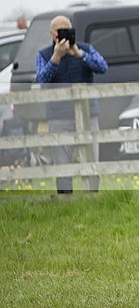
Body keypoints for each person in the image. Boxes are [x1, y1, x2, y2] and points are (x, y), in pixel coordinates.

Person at [35, 15, 108, 193]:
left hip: (88, 113)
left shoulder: (85, 49)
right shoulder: (44, 55)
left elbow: (102, 67)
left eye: (67, 30)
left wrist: (80, 54)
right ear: (52, 34)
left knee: (92, 161)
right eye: (59, 31)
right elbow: (41, 81)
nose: (64, 34)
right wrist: (56, 58)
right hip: (59, 116)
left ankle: (92, 197)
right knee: (62, 165)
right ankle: (65, 200)